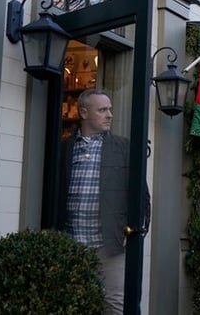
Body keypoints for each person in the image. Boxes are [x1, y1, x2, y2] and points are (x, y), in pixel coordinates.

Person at [57, 89, 150, 315]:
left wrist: (137, 232)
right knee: (73, 302)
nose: (109, 115)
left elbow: (142, 196)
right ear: (83, 113)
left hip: (110, 244)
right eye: (102, 110)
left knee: (115, 304)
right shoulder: (66, 147)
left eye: (110, 109)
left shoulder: (123, 147)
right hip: (72, 241)